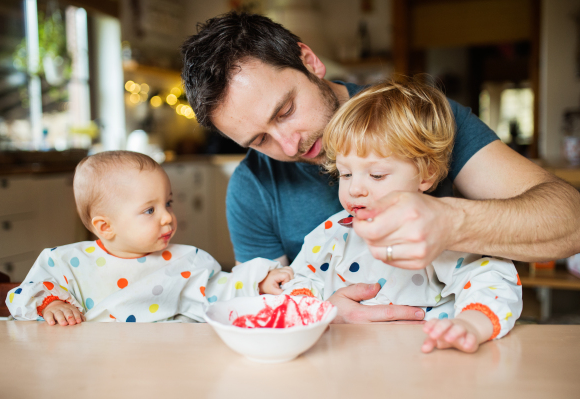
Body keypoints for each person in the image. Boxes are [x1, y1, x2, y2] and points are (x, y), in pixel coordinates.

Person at [181, 12, 580, 324]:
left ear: (309, 61)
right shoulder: (253, 188)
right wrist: (326, 316)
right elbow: (271, 313)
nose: (289, 145)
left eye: (285, 111)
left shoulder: (418, 120)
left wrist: (453, 222)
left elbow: (571, 224)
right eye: (259, 141)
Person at [280, 79, 522, 353]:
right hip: (349, 366)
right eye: (345, 174)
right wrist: (313, 308)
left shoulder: (437, 229)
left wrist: (471, 325)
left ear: (427, 174)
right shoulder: (330, 233)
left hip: (426, 362)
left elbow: (491, 279)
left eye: (377, 175)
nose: (355, 188)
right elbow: (298, 281)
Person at [5, 151, 293, 326]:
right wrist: (53, 305)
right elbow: (28, 292)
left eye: (167, 204)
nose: (167, 217)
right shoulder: (66, 261)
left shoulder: (187, 261)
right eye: (149, 210)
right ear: (105, 227)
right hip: (90, 364)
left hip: (163, 363)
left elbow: (221, 290)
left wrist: (258, 282)